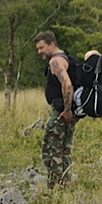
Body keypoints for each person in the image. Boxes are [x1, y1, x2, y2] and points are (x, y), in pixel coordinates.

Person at [34, 31, 77, 188]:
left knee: (52, 150)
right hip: (68, 111)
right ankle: (65, 185)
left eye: (41, 47)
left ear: (51, 44)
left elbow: (67, 84)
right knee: (64, 149)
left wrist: (67, 109)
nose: (40, 51)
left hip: (61, 112)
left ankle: (55, 186)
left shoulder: (56, 61)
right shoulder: (66, 57)